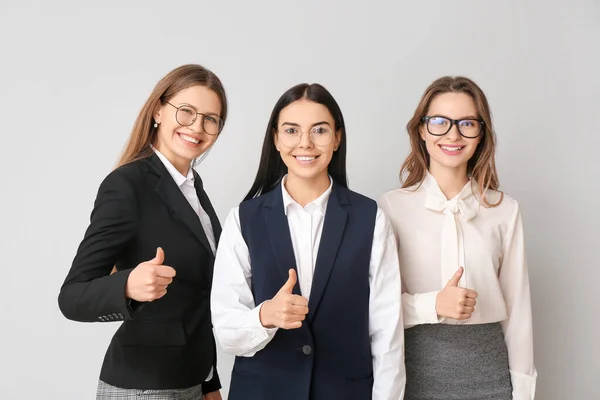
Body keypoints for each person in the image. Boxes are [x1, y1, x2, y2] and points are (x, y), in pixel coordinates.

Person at [210, 83, 405, 400]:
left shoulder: (371, 218)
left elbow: (387, 332)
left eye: (320, 130)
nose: (305, 143)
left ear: (337, 138)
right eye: (291, 130)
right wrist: (267, 316)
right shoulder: (243, 220)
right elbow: (226, 331)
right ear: (276, 138)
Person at [58, 64, 227, 400]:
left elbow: (196, 299)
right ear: (159, 111)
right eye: (186, 112)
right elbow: (71, 297)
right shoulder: (127, 185)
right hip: (143, 387)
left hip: (192, 380)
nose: (198, 126)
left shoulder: (194, 189)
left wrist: (210, 382)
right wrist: (128, 286)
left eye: (211, 118)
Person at [379, 76, 537, 399]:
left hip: (489, 374)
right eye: (439, 122)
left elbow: (519, 313)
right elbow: (376, 308)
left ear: (481, 134)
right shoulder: (390, 208)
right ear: (422, 130)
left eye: (466, 123)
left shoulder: (505, 210)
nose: (453, 134)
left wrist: (523, 392)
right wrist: (431, 304)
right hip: (412, 371)